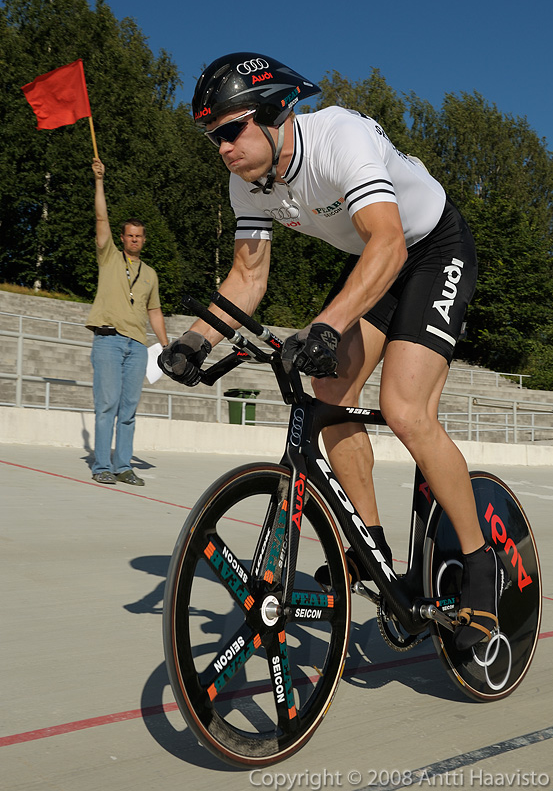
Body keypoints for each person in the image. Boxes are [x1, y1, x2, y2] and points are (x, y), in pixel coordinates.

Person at [159, 52, 505, 650]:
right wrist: (195, 340)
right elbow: (248, 278)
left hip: (431, 248)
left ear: (274, 114)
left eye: (231, 130)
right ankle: (370, 549)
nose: (223, 148)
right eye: (213, 137)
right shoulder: (248, 183)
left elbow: (389, 243)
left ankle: (480, 566)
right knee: (330, 390)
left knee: (405, 409)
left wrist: (325, 325)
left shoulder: (340, 138)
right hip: (380, 260)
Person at [86, 157, 168, 486]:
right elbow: (101, 218)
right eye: (129, 235)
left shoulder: (150, 274)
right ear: (121, 238)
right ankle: (101, 466)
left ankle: (123, 466)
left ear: (144, 240)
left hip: (136, 347)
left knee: (129, 409)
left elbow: (154, 312)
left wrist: (166, 345)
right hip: (107, 340)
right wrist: (99, 181)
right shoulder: (108, 257)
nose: (134, 240)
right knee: (107, 405)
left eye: (139, 236)